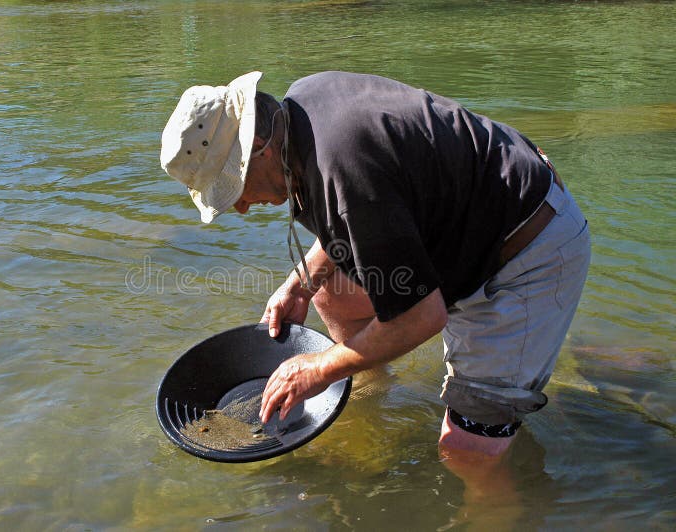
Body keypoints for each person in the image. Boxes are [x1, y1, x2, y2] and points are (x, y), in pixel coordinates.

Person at [159, 71, 590, 458]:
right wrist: (301, 282)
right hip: (464, 229)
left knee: (465, 453)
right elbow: (364, 214)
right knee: (331, 290)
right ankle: (373, 400)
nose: (241, 207)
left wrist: (320, 366)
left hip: (525, 252)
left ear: (258, 148)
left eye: (231, 186)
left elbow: (423, 317)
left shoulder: (346, 174)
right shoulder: (303, 109)